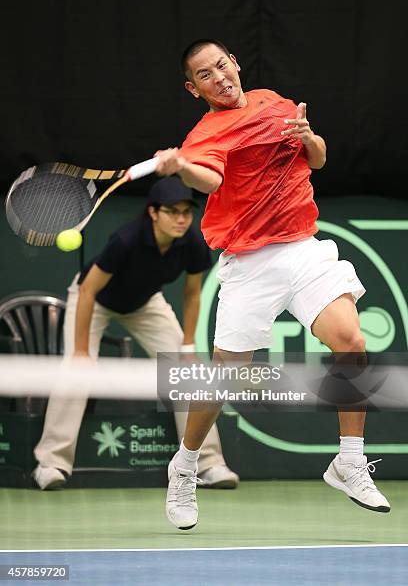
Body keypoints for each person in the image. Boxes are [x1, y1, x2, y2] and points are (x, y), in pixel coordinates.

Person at [153, 39, 390, 530]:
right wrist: (181, 167)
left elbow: (319, 160)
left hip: (303, 247)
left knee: (352, 343)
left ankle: (348, 459)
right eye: (204, 75)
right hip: (249, 264)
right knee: (223, 378)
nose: (218, 77)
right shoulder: (205, 135)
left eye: (221, 65)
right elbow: (209, 181)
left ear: (234, 63)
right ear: (193, 89)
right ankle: (186, 463)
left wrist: (309, 137)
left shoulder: (274, 101)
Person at [32, 175, 239, 491]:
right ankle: (50, 463)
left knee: (188, 373)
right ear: (153, 213)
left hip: (144, 302)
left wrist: (186, 343)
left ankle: (208, 463)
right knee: (75, 372)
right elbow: (88, 290)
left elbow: (192, 294)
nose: (182, 219)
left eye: (186, 211)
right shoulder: (125, 240)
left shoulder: (193, 242)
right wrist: (81, 353)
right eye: (173, 211)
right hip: (95, 299)